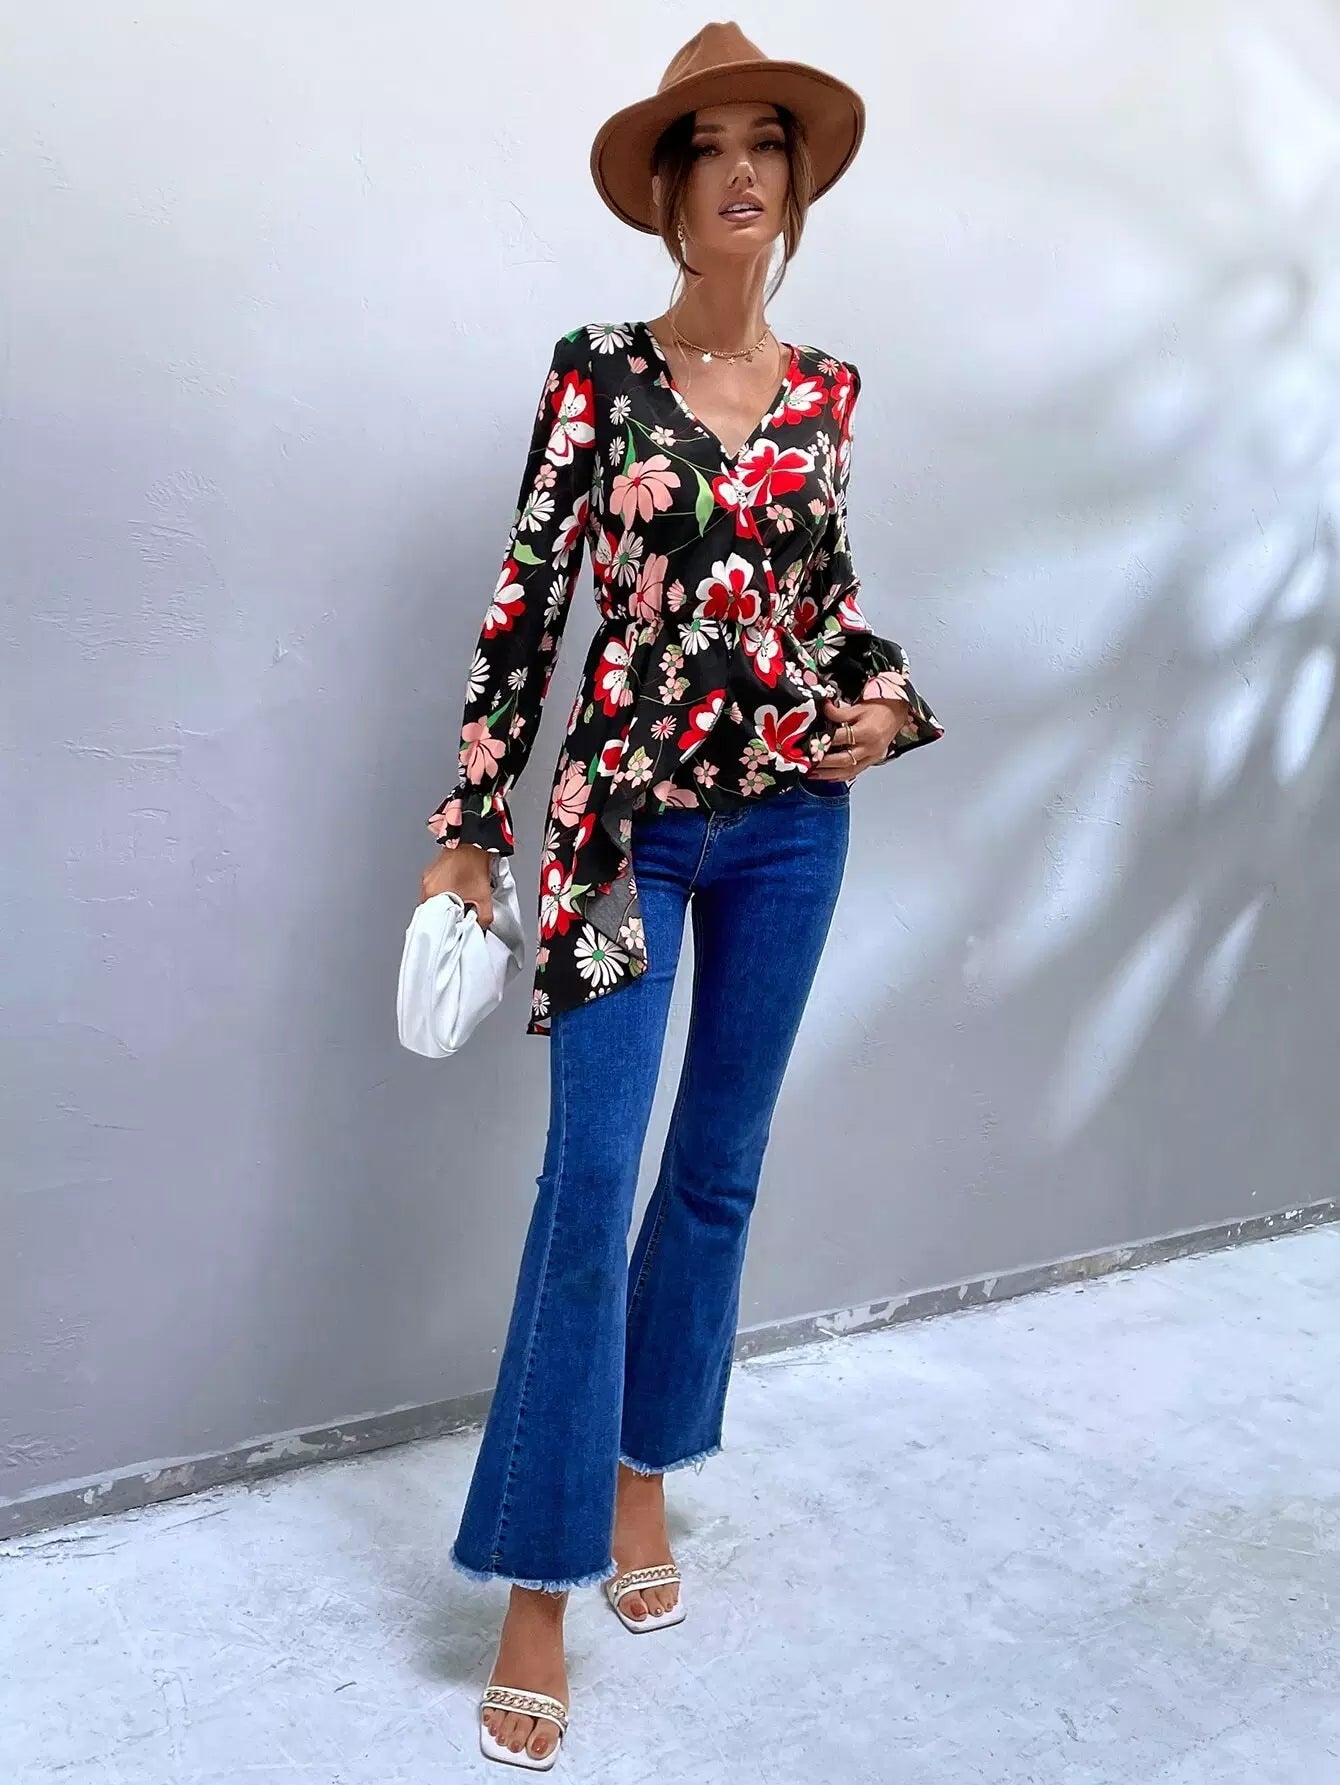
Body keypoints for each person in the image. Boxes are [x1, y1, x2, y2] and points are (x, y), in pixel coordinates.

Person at [418, 21, 945, 1770]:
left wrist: (890, 700)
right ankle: (538, 1578)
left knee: (714, 1172)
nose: (739, 171)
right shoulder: (594, 371)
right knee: (590, 1189)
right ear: (666, 187)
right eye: (708, 144)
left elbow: (827, 602)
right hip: (621, 833)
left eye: (765, 144)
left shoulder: (829, 391)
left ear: (793, 181)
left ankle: (644, 1474)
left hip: (792, 822)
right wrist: (470, 822)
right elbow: (527, 607)